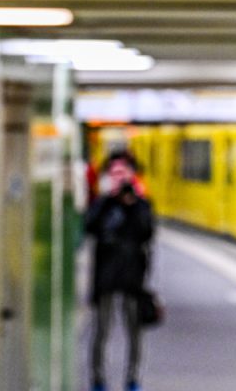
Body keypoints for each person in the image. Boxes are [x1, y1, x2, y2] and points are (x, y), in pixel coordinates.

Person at [85, 151, 156, 391]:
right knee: (101, 331)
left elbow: (147, 232)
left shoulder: (141, 204)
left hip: (132, 279)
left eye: (123, 172)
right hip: (106, 278)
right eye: (114, 173)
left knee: (134, 332)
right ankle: (98, 379)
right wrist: (107, 199)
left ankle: (133, 379)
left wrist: (134, 202)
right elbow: (90, 226)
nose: (119, 178)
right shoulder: (103, 204)